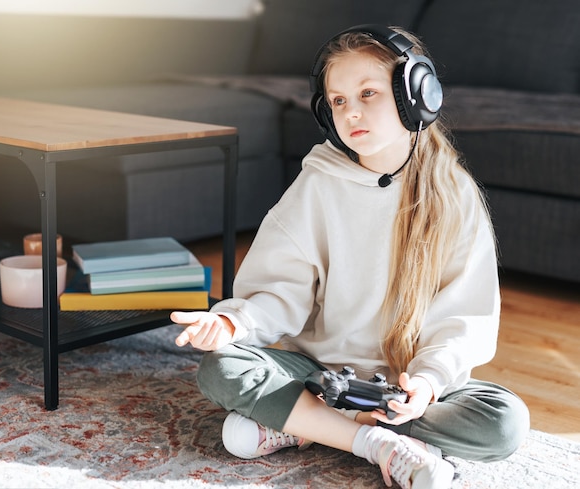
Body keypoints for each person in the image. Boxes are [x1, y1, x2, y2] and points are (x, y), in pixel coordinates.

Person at [171, 24, 530, 489]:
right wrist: (233, 323)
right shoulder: (317, 185)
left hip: (405, 386)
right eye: (338, 101)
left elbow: (465, 317)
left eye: (368, 93)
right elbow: (282, 290)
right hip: (321, 374)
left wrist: (426, 384)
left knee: (504, 422)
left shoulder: (454, 195)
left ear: (415, 96)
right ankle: (377, 444)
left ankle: (306, 425)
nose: (352, 112)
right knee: (222, 367)